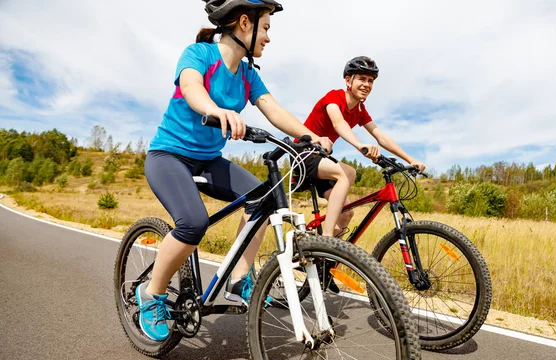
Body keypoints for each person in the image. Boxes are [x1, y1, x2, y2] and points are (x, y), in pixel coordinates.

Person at [138, 0, 332, 342]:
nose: (269, 37)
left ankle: (240, 278)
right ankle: (151, 295)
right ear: (245, 23)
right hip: (168, 156)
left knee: (267, 197)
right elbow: (191, 87)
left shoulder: (247, 75)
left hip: (208, 160)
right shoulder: (199, 54)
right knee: (193, 223)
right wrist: (216, 110)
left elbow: (272, 108)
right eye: (267, 28)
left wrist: (310, 135)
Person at [298, 56, 426, 240]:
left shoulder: (359, 110)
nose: (366, 84)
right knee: (348, 173)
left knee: (346, 214)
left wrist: (410, 160)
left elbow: (380, 136)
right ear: (348, 80)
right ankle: (325, 239)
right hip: (304, 152)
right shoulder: (334, 97)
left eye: (370, 81)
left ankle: (320, 257)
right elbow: (338, 123)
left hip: (322, 158)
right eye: (362, 79)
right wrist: (360, 145)